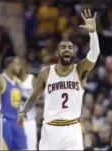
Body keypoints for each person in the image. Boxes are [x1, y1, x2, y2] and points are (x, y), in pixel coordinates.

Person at [18, 9, 100, 150]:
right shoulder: (46, 72)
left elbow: (94, 54)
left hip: (72, 129)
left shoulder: (79, 70)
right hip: (50, 129)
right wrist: (24, 111)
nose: (67, 49)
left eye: (70, 47)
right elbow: (34, 96)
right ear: (57, 52)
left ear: (74, 52)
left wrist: (93, 33)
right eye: (63, 47)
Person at [0, 57, 27, 150]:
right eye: (17, 64)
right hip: (4, 122)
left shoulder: (19, 82)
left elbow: (20, 104)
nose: (20, 67)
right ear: (10, 65)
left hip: (17, 123)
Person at [19, 59, 37, 150]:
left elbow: (38, 97)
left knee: (31, 147)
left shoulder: (31, 78)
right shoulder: (12, 81)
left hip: (29, 119)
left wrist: (23, 98)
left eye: (20, 65)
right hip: (16, 120)